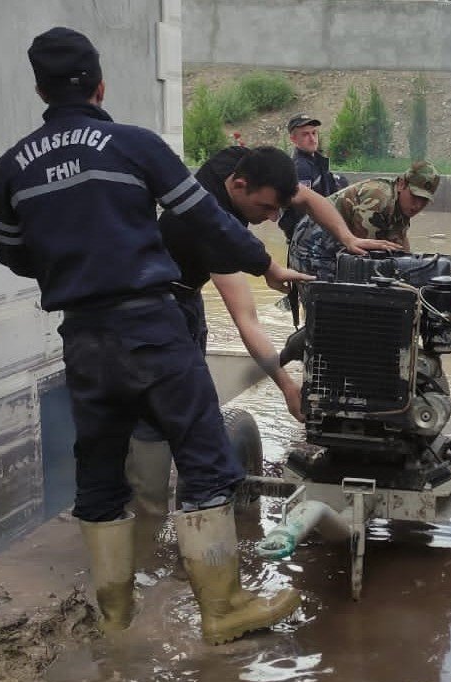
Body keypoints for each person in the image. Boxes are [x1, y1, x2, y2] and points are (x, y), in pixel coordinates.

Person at [0, 27, 310, 645]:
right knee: (207, 459)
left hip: (82, 337)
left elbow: (14, 256)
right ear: (101, 84)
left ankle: (113, 617)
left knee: (101, 476)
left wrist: (74, 267)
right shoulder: (133, 146)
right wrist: (263, 263)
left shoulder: (12, 168)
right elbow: (206, 219)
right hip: (151, 326)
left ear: (38, 88)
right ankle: (223, 608)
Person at [125, 145, 399, 513]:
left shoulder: (238, 163)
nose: (272, 219)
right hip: (161, 307)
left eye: (278, 210)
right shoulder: (210, 229)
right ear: (239, 186)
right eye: (266, 208)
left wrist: (347, 238)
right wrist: (287, 387)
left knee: (185, 410)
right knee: (173, 417)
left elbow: (307, 197)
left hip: (179, 293)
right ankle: (152, 515)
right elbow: (246, 321)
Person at [288, 161, 441, 281]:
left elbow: (401, 251)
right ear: (402, 184)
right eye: (415, 197)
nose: (418, 205)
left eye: (424, 200)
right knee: (329, 302)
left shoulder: (401, 208)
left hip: (337, 244)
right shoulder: (379, 199)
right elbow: (365, 256)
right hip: (313, 245)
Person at [276, 113, 349, 239]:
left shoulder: (316, 161)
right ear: (293, 139)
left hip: (320, 229)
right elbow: (303, 208)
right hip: (309, 236)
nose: (312, 138)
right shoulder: (300, 167)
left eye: (314, 133)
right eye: (305, 134)